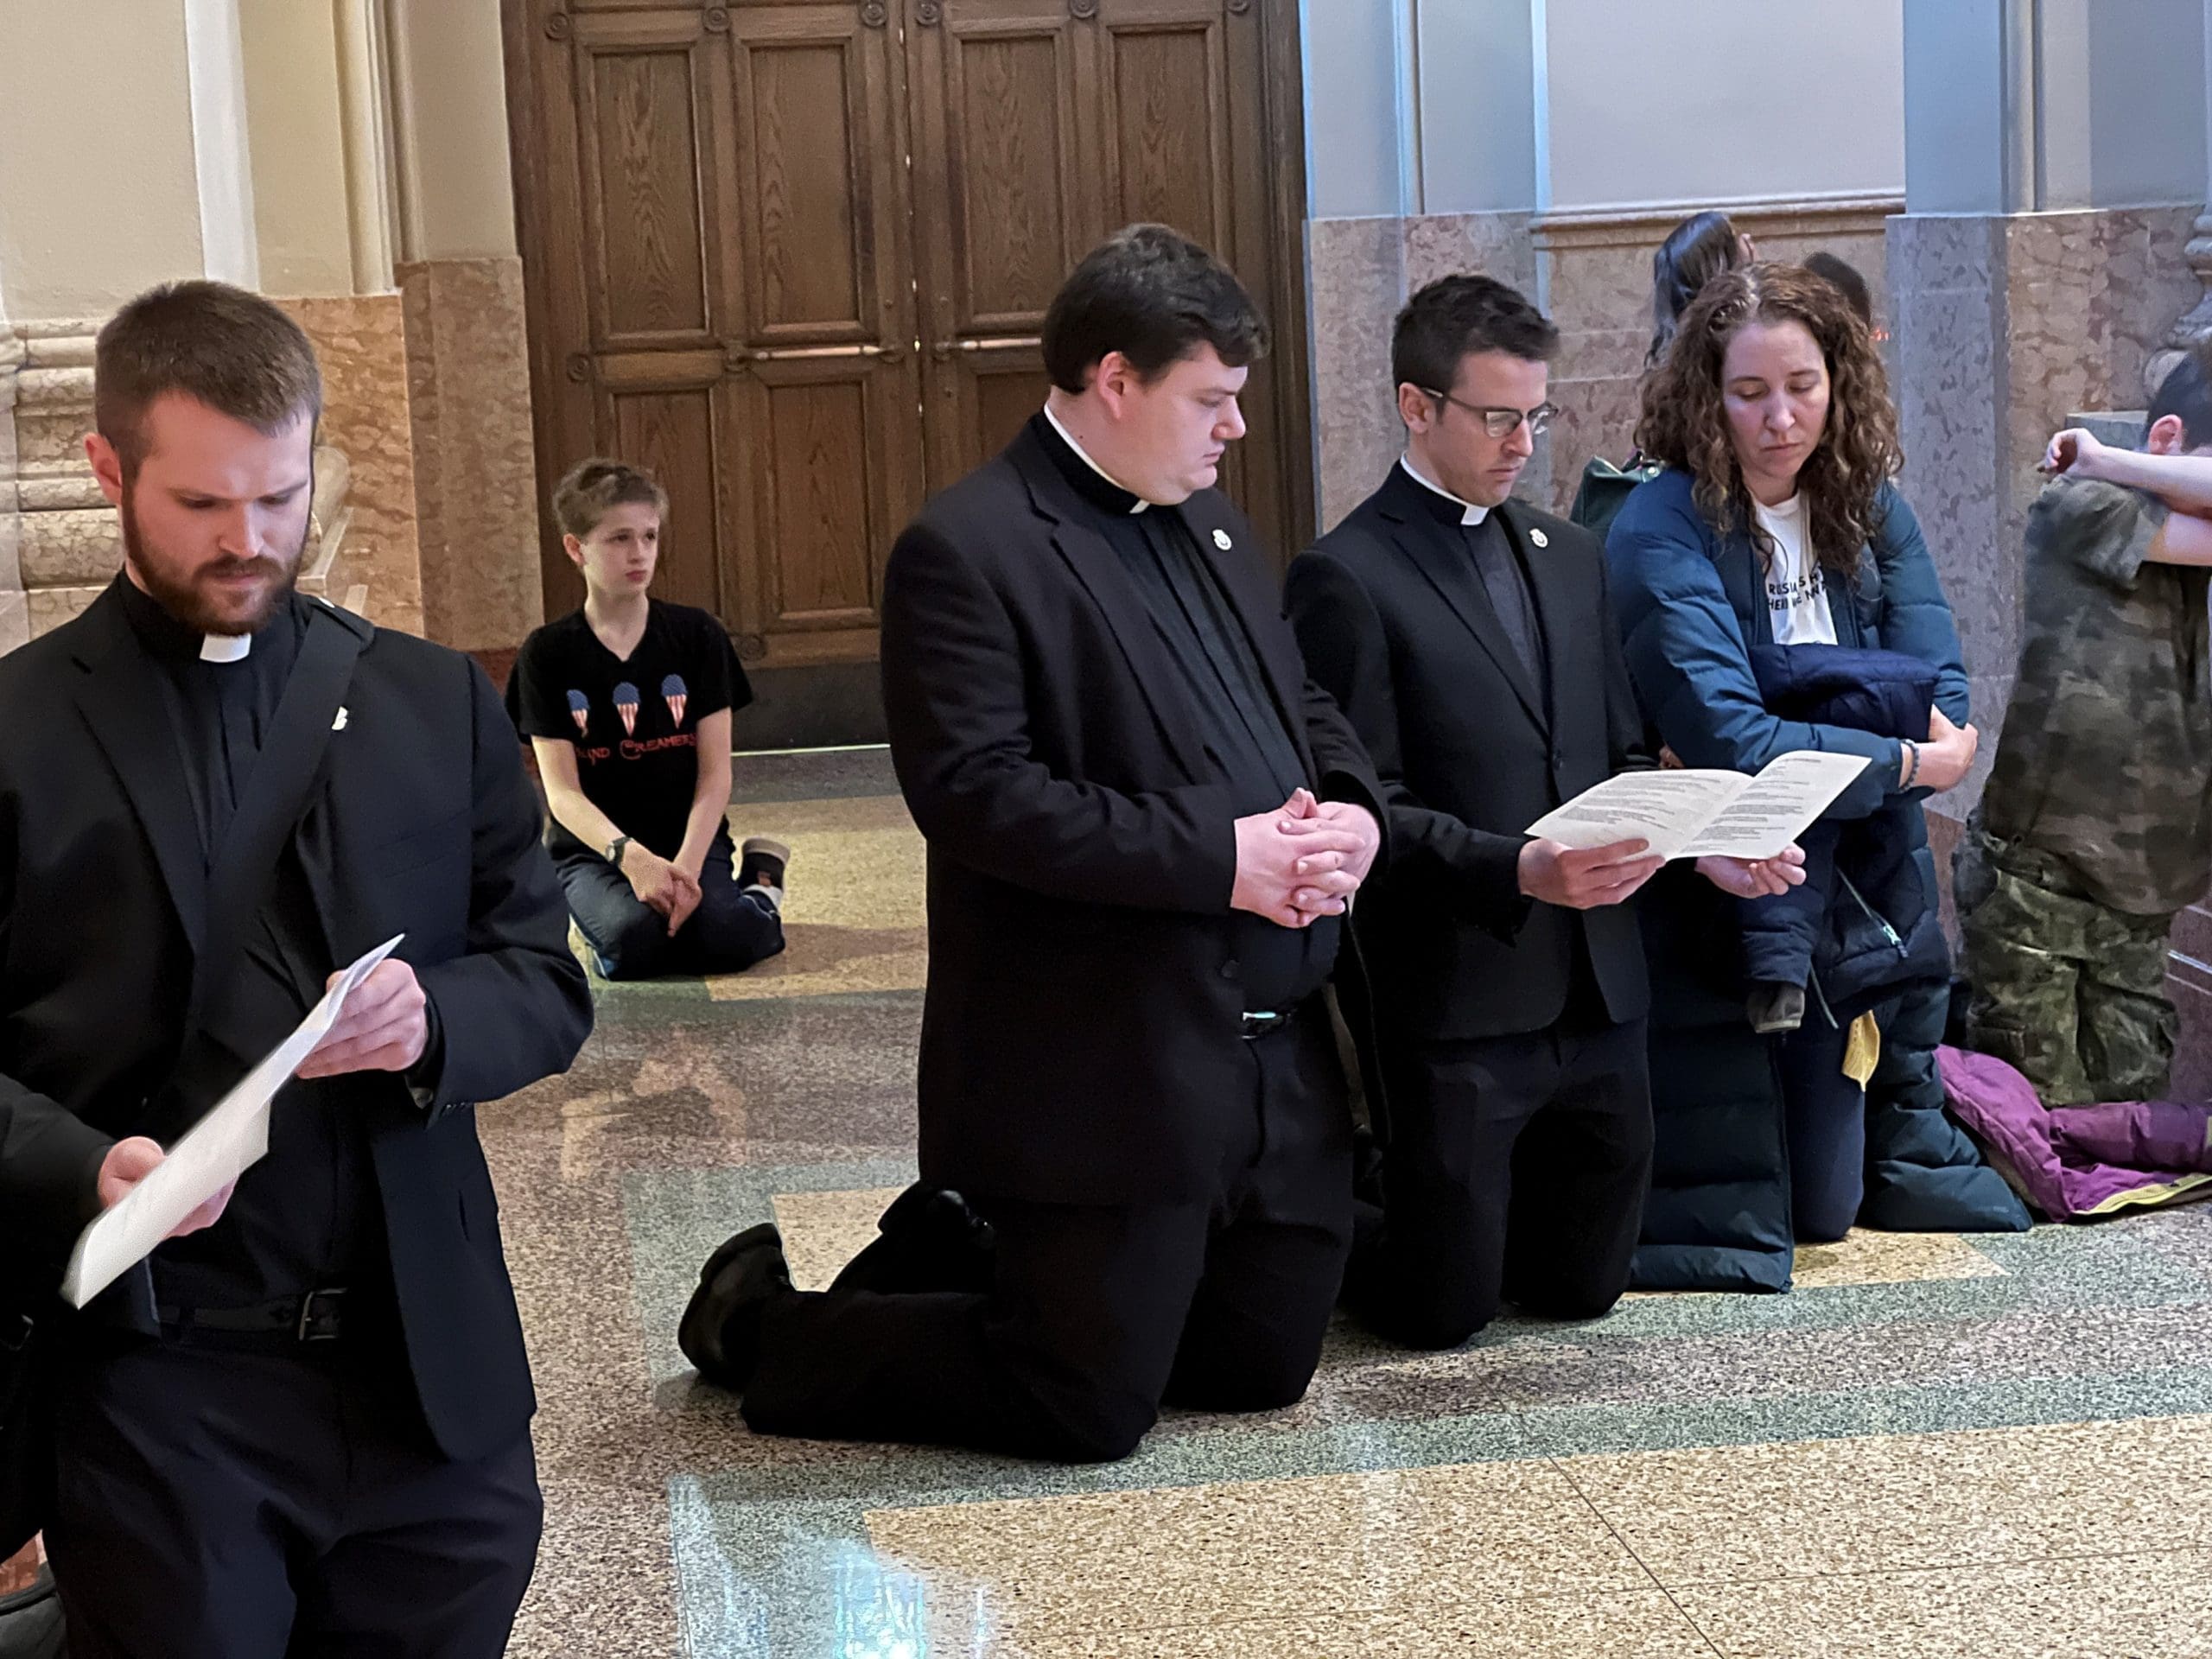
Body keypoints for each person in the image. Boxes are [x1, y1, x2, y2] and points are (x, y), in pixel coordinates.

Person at [677, 225, 1389, 1461]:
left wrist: (1353, 807)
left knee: (1260, 1369)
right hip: (1108, 1052)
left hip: (1272, 1061)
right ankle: (764, 1327)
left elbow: (1301, 704)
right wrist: (1225, 857)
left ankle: (971, 1248)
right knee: (1088, 1406)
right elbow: (979, 797)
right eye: (1211, 401)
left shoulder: (1211, 525)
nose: (1234, 430)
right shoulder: (970, 548)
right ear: (1115, 380)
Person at [0, 282, 593, 1654]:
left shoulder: (429, 699)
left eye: (278, 498)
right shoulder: (20, 737)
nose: (250, 541)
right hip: (162, 1386)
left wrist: (432, 1018)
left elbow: (544, 979)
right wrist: (82, 1169)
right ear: (108, 468)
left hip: (424, 1376)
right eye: (204, 505)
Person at [1287, 275, 1802, 1349]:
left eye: (1537, 415)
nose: (1522, 442)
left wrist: (1705, 850)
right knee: (1445, 1314)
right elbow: (1366, 805)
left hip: (1599, 986)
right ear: (1415, 407)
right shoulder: (1345, 576)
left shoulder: (1568, 556)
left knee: (1582, 1288)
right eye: (1495, 416)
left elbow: (1618, 757)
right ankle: (1320, 1214)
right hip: (1462, 992)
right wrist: (1516, 870)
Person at [1607, 263, 2027, 1284]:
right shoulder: (1661, 527)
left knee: (1832, 1208)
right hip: (1721, 881)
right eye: (1748, 393)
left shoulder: (1870, 509)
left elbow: (1948, 709)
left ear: (1839, 381)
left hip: (1859, 875)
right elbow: (1737, 746)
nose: (1778, 417)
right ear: (1706, 398)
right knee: (1791, 1214)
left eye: (1800, 385)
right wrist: (1885, 748)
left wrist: (1849, 739)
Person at [1958, 349, 2212, 1104]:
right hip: (2042, 885)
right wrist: (2105, 458)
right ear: (2164, 440)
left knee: (2124, 1146)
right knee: (2034, 1131)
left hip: (2143, 893)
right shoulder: (2085, 501)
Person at [506, 459, 788, 980]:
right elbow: (563, 795)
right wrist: (631, 859)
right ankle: (615, 921)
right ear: (576, 548)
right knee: (632, 944)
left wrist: (684, 866)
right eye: (618, 539)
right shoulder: (546, 654)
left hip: (690, 841)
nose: (639, 554)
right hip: (595, 853)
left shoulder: (697, 636)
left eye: (649, 536)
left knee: (723, 936)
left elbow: (715, 775)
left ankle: (764, 881)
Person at [1570, 210, 1756, 537]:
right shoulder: (1725, 359)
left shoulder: (1672, 362)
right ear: (1721, 263)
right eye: (1737, 235)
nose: (1750, 241)